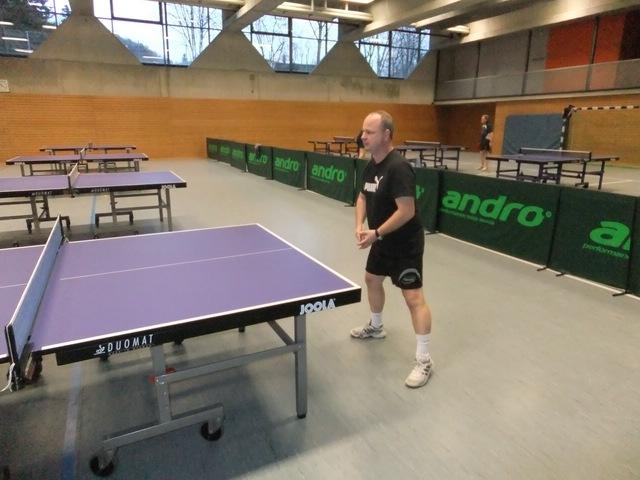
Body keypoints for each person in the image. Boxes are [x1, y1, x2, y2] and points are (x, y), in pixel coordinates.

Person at [351, 110, 434, 389]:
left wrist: (376, 233)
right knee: (372, 279)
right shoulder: (371, 165)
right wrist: (359, 225)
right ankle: (376, 327)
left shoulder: (399, 167)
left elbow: (406, 211)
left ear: (386, 135)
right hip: (381, 239)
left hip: (405, 244)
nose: (363, 136)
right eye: (363, 131)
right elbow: (362, 196)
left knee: (413, 298)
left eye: (369, 132)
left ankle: (424, 360)